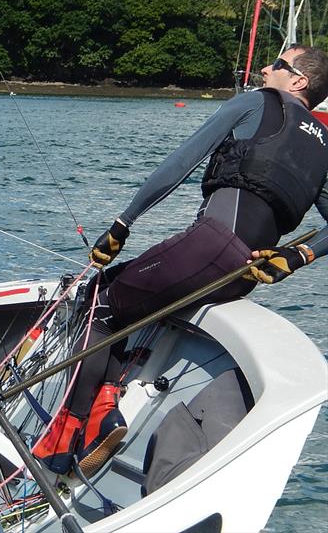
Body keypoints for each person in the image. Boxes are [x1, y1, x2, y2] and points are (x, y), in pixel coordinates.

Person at [33, 45, 328, 479]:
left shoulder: (256, 102)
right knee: (128, 295)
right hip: (241, 277)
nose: (266, 68)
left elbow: (179, 164)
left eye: (278, 64)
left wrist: (123, 223)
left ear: (298, 80)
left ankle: (73, 433)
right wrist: (299, 256)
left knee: (99, 301)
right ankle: (102, 410)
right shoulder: (322, 147)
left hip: (210, 248)